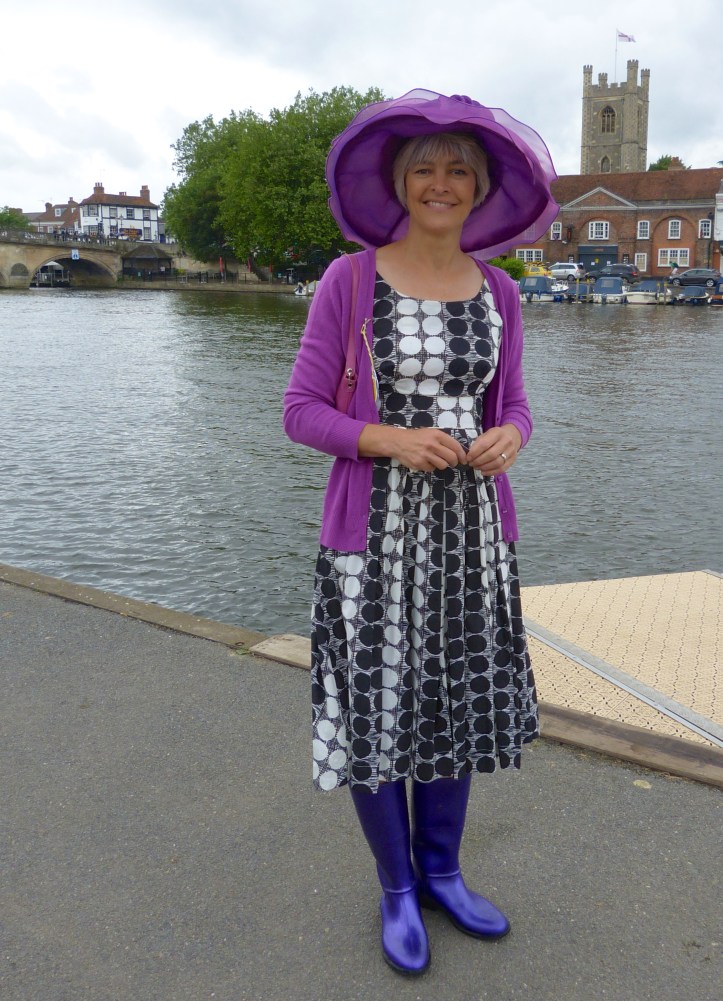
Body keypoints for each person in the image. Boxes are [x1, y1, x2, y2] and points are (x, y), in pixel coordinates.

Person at [283, 90, 558, 976]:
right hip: (374, 539)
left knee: (453, 703)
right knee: (376, 708)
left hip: (472, 535)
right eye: (424, 169)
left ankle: (442, 868)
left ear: (479, 188)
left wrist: (512, 431)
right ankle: (396, 884)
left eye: (457, 171)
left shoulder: (502, 290)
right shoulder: (350, 280)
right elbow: (298, 411)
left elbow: (510, 399)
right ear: (400, 183)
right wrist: (384, 436)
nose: (440, 183)